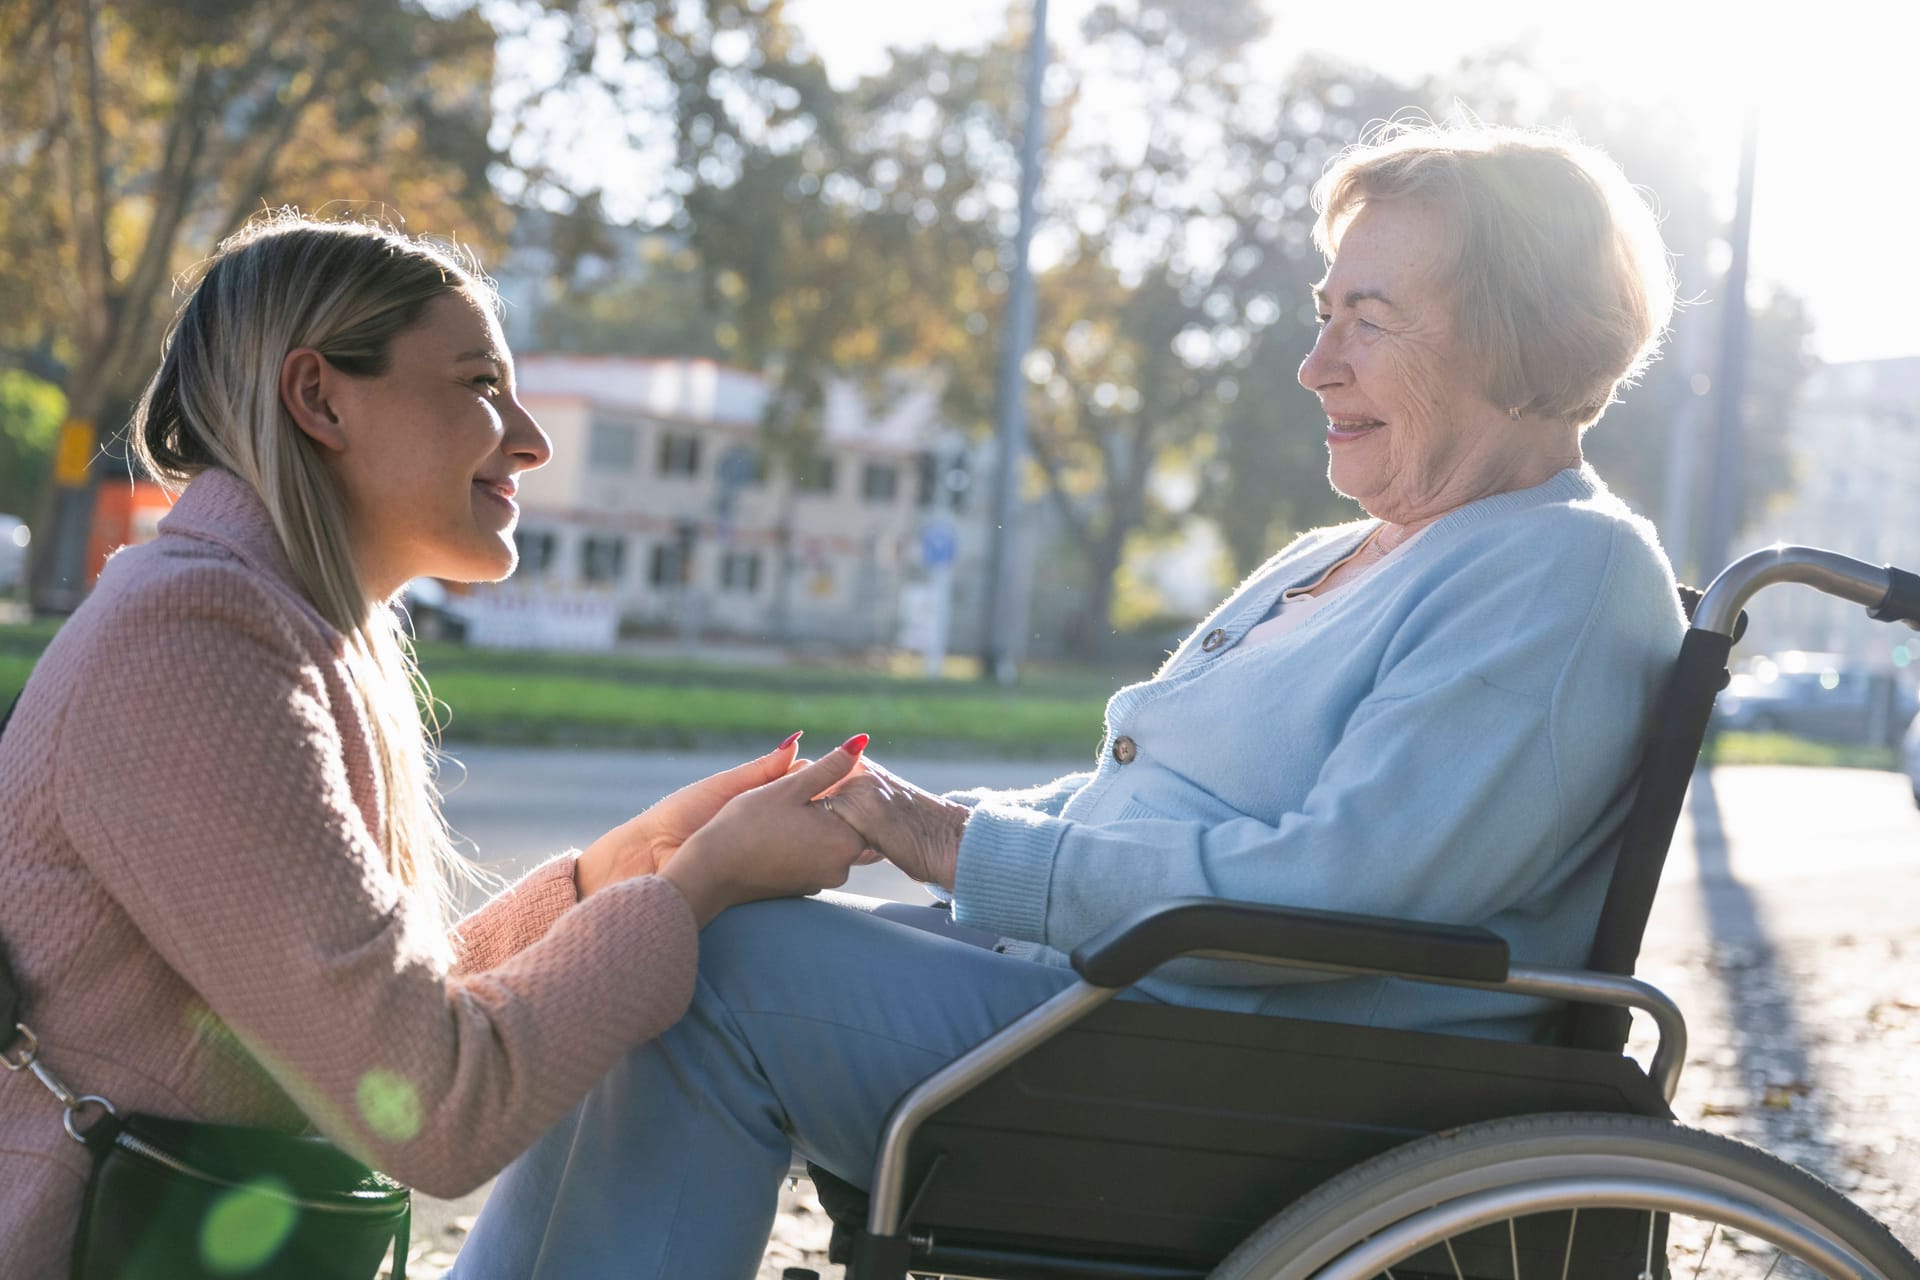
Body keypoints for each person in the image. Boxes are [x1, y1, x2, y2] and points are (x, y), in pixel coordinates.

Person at [454, 120, 1691, 1277]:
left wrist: (954, 846)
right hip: (1141, 1011)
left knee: (707, 967)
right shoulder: (1345, 551)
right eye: (1322, 314)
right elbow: (1139, 799)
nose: (1314, 364)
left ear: (1523, 341)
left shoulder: (1565, 568)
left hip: (1257, 1074)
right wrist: (895, 816)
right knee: (676, 919)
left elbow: (1343, 889)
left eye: (1368, 320)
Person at [0, 213, 876, 1277]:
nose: (529, 436)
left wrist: (625, 864)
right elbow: (428, 1104)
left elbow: (362, 1019)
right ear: (319, 397)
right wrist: (695, 886)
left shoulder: (294, 622)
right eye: (478, 384)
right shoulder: (192, 641)